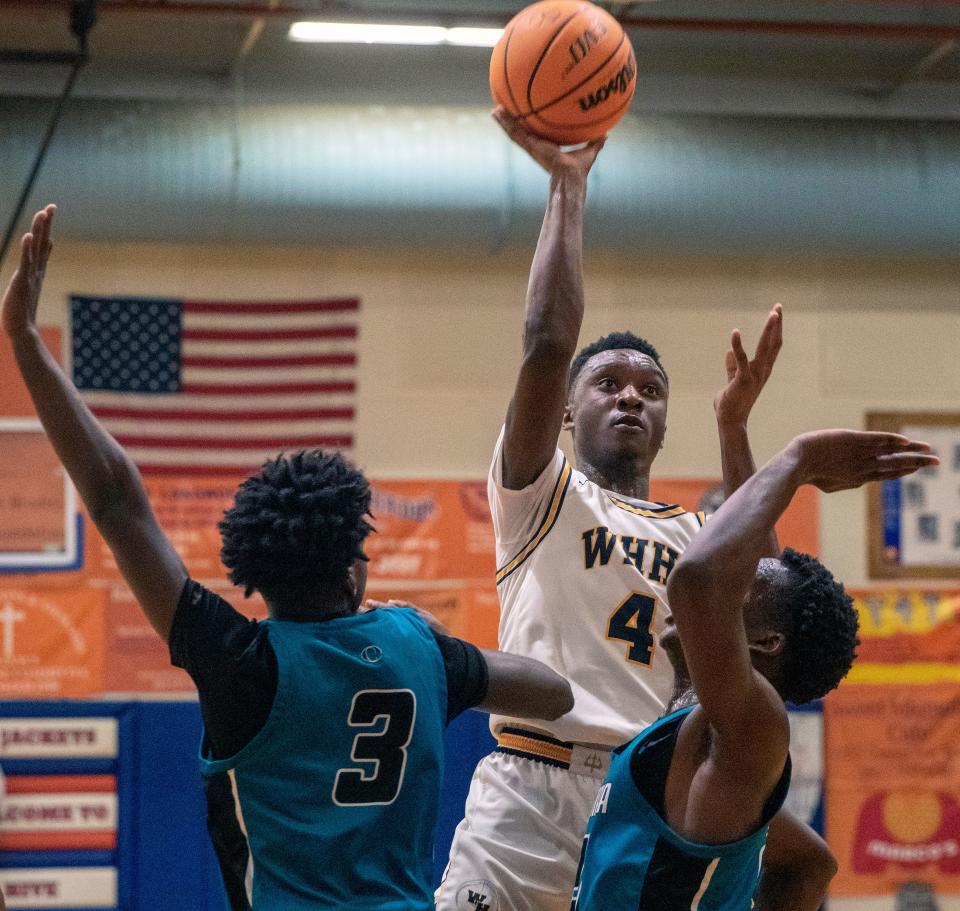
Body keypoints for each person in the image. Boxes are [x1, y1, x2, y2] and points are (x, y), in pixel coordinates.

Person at [2, 205, 575, 911]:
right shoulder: (417, 647)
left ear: (256, 578)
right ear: (351, 570)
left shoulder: (239, 661)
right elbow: (554, 692)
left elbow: (117, 500)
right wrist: (434, 639)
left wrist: (25, 340)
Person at [437, 110, 782, 911]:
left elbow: (771, 583)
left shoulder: (696, 538)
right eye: (609, 382)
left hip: (646, 797)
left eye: (651, 388)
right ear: (565, 409)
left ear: (667, 418)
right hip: (530, 787)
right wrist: (569, 183)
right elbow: (548, 342)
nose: (631, 394)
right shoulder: (539, 492)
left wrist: (734, 427)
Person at [571, 427, 938, 910]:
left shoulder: (751, 731)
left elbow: (697, 580)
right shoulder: (721, 763)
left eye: (735, 593)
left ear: (765, 643)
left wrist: (799, 459)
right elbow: (812, 863)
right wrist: (734, 426)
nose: (719, 590)